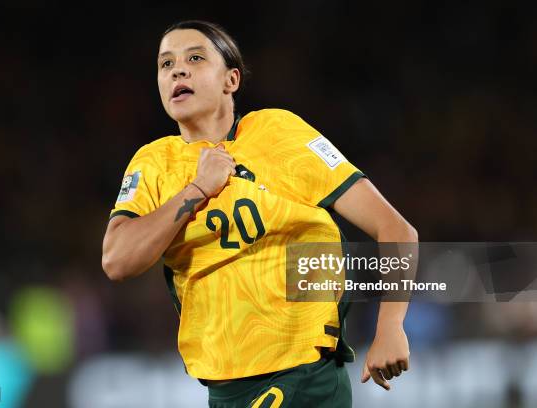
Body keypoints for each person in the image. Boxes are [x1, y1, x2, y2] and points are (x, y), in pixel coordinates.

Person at [102, 20, 418, 408]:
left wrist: (390, 328)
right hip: (223, 388)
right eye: (165, 64)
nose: (178, 70)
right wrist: (197, 189)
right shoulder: (153, 163)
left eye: (195, 58)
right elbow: (117, 260)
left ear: (230, 80)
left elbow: (395, 228)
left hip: (302, 375)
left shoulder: (280, 133)